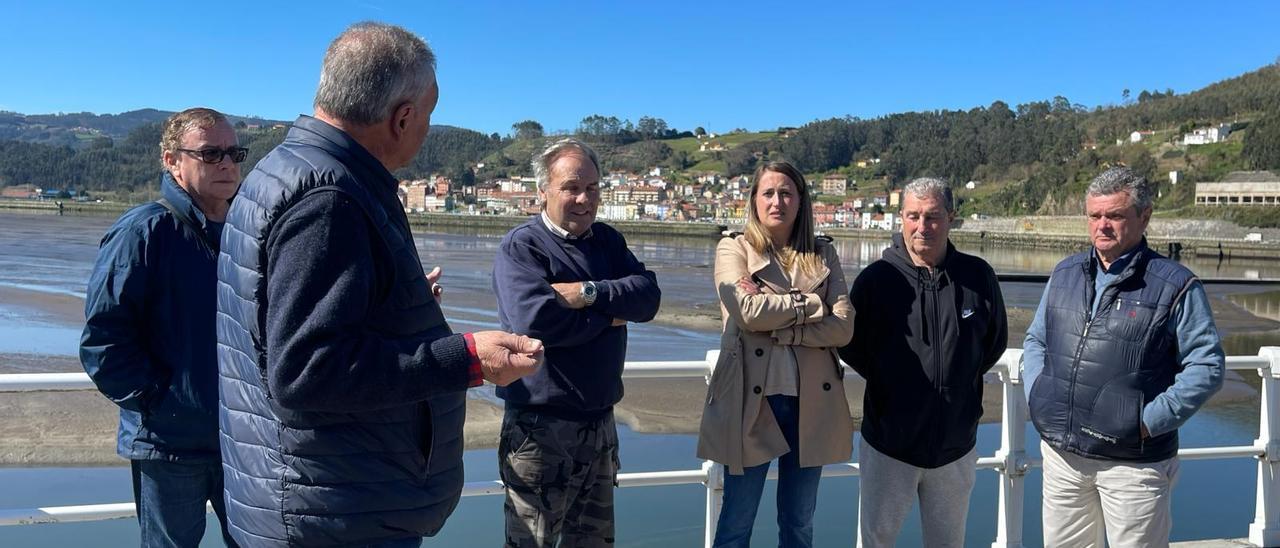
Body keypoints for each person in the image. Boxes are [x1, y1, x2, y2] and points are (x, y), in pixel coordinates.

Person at [216, 22, 543, 548]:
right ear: (403, 117)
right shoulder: (330, 198)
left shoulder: (281, 170)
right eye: (429, 116)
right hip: (331, 511)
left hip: (308, 494)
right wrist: (468, 359)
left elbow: (279, 322)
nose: (427, 130)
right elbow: (306, 370)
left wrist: (395, 305)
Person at [1024, 166, 1225, 547]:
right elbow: (1037, 339)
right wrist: (1038, 392)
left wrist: (1145, 422)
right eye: (1094, 215)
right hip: (1063, 457)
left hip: (1133, 464)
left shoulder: (1175, 285)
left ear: (1144, 216)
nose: (1102, 225)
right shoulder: (1065, 273)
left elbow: (1207, 365)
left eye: (1115, 215)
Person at [80, 107, 245, 547]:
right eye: (211, 153)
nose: (227, 163)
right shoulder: (143, 232)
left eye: (234, 152)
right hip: (168, 446)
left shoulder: (247, 234)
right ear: (172, 160)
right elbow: (103, 342)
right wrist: (160, 401)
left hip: (242, 441)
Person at [492, 138, 661, 547]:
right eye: (571, 187)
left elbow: (648, 296)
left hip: (600, 426)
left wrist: (589, 294)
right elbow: (536, 322)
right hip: (539, 428)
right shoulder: (522, 246)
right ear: (542, 192)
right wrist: (613, 317)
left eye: (593, 187)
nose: (584, 198)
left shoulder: (607, 242)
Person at [838, 177, 1008, 547]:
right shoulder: (875, 280)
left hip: (954, 446)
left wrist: (955, 382)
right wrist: (893, 382)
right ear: (901, 218)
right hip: (889, 445)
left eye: (932, 216)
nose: (922, 226)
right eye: (913, 216)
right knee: (876, 540)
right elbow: (851, 347)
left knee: (948, 543)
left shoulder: (978, 277)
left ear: (950, 217)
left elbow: (993, 345)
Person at [697, 161, 853, 548]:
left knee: (799, 524)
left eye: (786, 193)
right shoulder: (733, 248)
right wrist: (810, 304)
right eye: (768, 193)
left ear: (801, 201)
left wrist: (781, 322)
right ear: (754, 200)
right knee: (737, 521)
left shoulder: (823, 255)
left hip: (811, 405)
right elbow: (747, 312)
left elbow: (844, 327)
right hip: (752, 403)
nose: (777, 201)